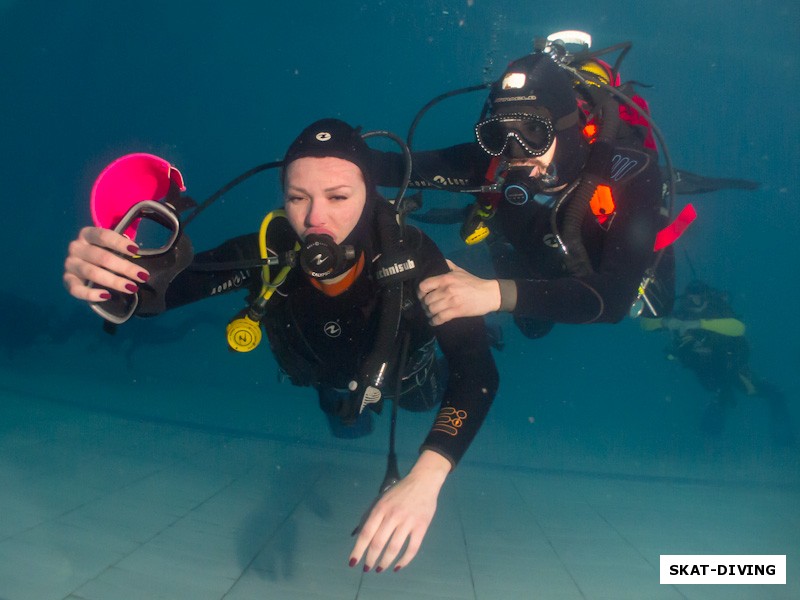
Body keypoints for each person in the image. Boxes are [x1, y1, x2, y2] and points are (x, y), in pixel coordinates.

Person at [63, 118, 499, 572]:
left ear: (370, 195)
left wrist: (426, 479)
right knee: (341, 414)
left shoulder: (411, 254)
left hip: (405, 379)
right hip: (322, 378)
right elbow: (158, 292)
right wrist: (106, 275)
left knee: (425, 395)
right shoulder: (268, 252)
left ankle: (482, 330)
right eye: (297, 198)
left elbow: (478, 373)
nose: (315, 220)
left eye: (338, 197)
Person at [370, 34, 687, 339]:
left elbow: (614, 300)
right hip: (537, 258)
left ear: (564, 129)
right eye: (499, 134)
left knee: (657, 309)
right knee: (532, 329)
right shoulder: (494, 164)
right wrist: (330, 147)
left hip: (605, 269)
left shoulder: (630, 173)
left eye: (533, 131)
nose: (515, 150)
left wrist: (493, 294)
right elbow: (390, 167)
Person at [646, 280, 794, 445]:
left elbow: (738, 327)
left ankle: (782, 434)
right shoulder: (682, 314)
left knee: (754, 390)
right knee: (718, 393)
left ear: (706, 298)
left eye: (698, 298)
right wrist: (664, 322)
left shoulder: (718, 311)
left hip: (730, 365)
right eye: (690, 299)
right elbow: (646, 324)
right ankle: (709, 439)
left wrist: (700, 324)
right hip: (703, 369)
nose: (694, 303)